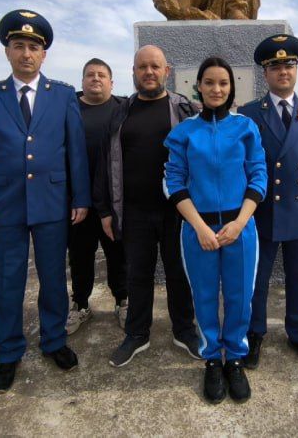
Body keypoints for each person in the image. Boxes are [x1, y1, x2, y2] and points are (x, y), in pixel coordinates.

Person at [0, 9, 91, 393]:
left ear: (44, 54)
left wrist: (81, 197)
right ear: (7, 51)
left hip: (53, 203)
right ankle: (9, 352)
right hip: (5, 207)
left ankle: (54, 340)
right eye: (18, 45)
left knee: (54, 278)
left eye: (33, 47)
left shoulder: (64, 95)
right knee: (8, 281)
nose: (26, 53)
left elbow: (76, 151)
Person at [164, 56, 267, 404]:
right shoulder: (184, 132)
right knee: (205, 296)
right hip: (198, 230)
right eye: (209, 82)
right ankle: (211, 358)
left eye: (223, 83)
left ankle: (234, 357)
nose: (216, 89)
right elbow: (173, 182)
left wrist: (239, 223)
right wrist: (199, 227)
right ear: (199, 86)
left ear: (231, 87)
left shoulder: (246, 127)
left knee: (239, 297)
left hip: (241, 228)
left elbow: (259, 176)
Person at [94, 45, 200, 367]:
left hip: (177, 210)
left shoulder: (185, 110)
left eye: (155, 66)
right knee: (137, 274)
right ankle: (137, 333)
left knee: (179, 273)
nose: (149, 72)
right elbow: (104, 163)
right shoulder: (120, 113)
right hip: (134, 211)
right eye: (143, 67)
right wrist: (104, 210)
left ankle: (184, 330)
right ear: (134, 73)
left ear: (166, 71)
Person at [238, 35, 298, 371]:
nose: (283, 71)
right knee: (257, 280)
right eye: (275, 66)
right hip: (262, 212)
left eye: (289, 65)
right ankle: (254, 333)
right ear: (265, 73)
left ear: (297, 70)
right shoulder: (250, 113)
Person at [66, 58, 127, 335]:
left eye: (102, 75)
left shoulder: (123, 109)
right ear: (82, 81)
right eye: (90, 74)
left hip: (113, 201)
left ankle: (123, 301)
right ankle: (80, 304)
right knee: (80, 256)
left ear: (111, 82)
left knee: (118, 254)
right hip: (78, 200)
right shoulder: (68, 109)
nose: (96, 79)